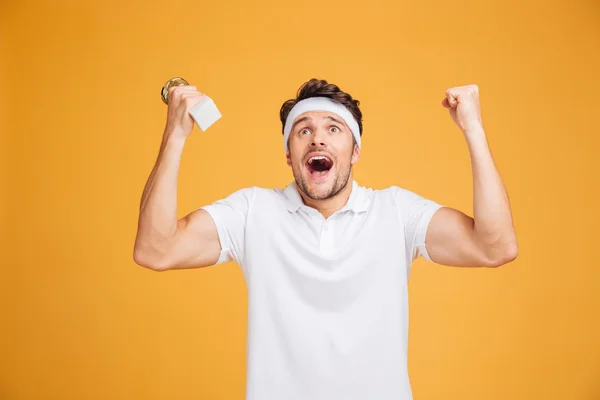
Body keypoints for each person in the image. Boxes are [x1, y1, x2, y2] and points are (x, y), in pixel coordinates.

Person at [133, 78, 518, 400]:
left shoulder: (396, 212)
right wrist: (176, 135)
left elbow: (495, 247)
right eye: (304, 131)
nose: (317, 139)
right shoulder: (253, 212)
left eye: (333, 128)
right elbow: (156, 250)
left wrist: (474, 129)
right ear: (289, 154)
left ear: (355, 152)